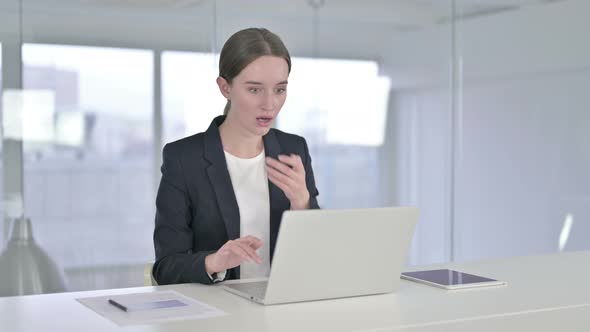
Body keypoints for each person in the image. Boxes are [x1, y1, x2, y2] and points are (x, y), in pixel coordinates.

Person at [153, 28, 320, 285]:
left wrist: (302, 203)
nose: (270, 104)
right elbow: (165, 268)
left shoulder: (293, 149)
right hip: (219, 313)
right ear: (225, 87)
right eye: (254, 90)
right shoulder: (183, 158)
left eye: (279, 89)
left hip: (285, 305)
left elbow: (316, 255)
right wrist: (215, 262)